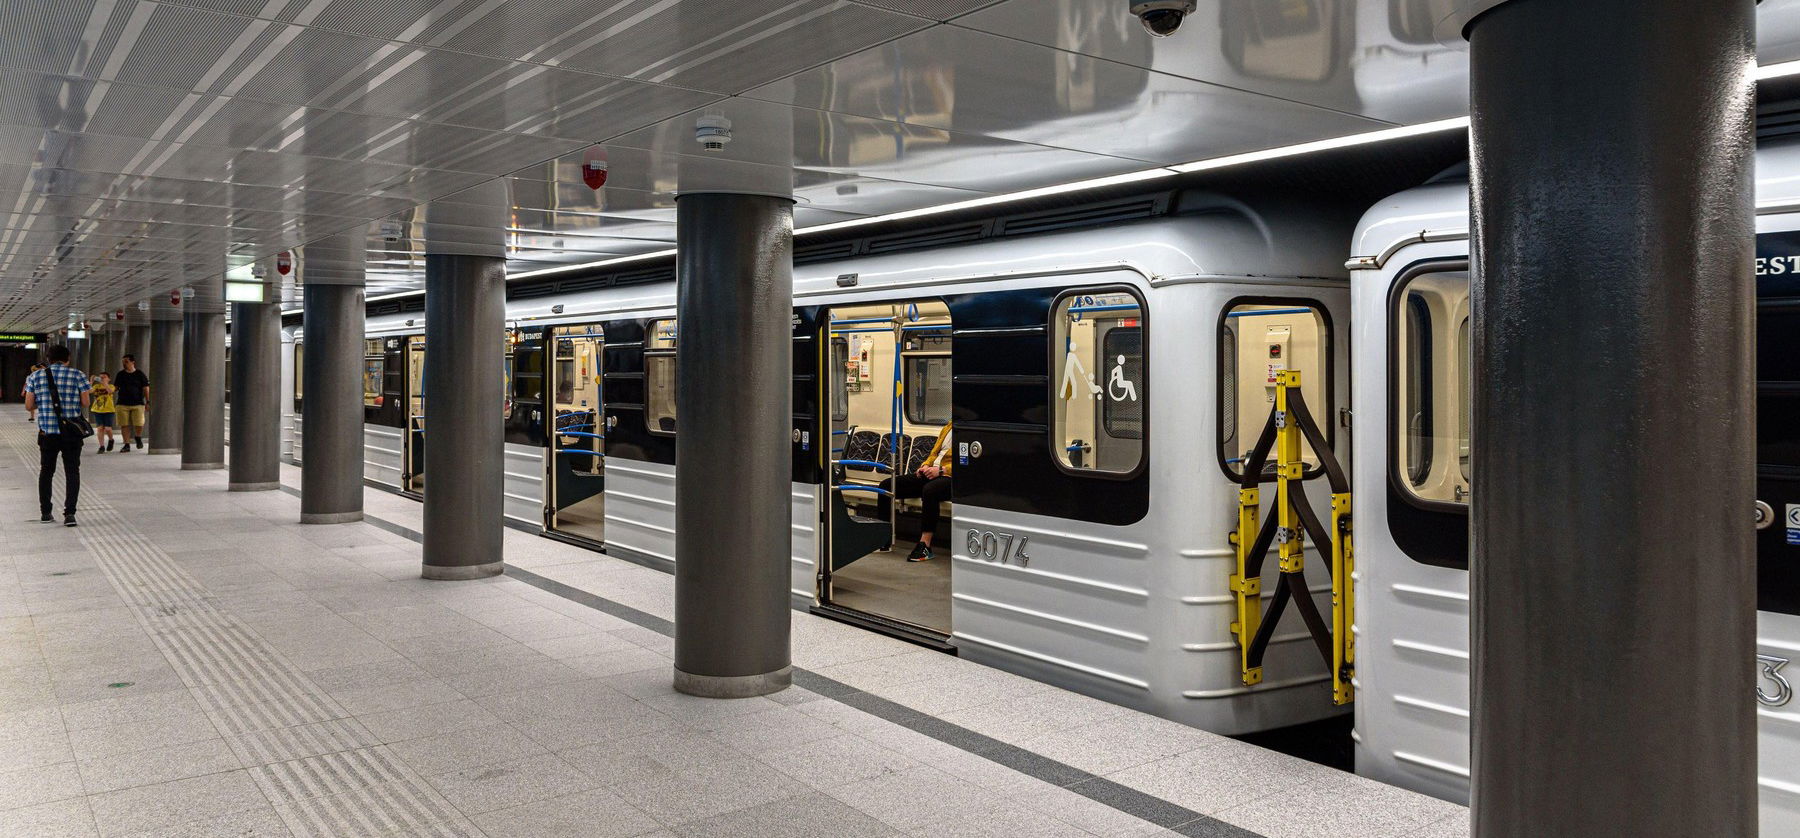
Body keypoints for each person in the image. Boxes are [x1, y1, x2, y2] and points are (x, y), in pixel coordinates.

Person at [23, 345, 90, 526]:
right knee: (72, 471)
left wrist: (45, 404)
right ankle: (70, 514)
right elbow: (85, 401)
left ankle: (46, 513)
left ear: (48, 358)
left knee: (46, 471)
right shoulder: (78, 375)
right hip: (71, 433)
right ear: (67, 358)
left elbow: (29, 406)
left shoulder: (35, 376)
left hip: (48, 433)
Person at [878, 423, 954, 562]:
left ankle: (925, 545)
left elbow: (967, 461)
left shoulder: (971, 430)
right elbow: (934, 453)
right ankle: (883, 538)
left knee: (930, 491)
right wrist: (925, 465)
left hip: (951, 478)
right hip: (933, 473)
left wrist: (942, 470)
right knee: (886, 486)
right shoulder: (948, 426)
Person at [113, 354, 150, 451]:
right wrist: (106, 388)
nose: (124, 364)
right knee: (124, 424)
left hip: (137, 403)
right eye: (123, 362)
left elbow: (146, 388)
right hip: (122, 403)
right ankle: (127, 444)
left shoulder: (140, 374)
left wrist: (148, 401)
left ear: (133, 362)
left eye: (126, 361)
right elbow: (115, 387)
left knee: (139, 423)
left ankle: (138, 436)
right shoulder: (120, 374)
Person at [89, 373, 116, 453]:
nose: (102, 379)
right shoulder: (96, 387)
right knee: (100, 428)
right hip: (98, 410)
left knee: (108, 428)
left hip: (109, 410)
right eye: (100, 378)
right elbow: (89, 391)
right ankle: (101, 446)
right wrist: (91, 381)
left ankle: (111, 440)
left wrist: (105, 384)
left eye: (104, 377)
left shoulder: (111, 386)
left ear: (109, 379)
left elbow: (110, 391)